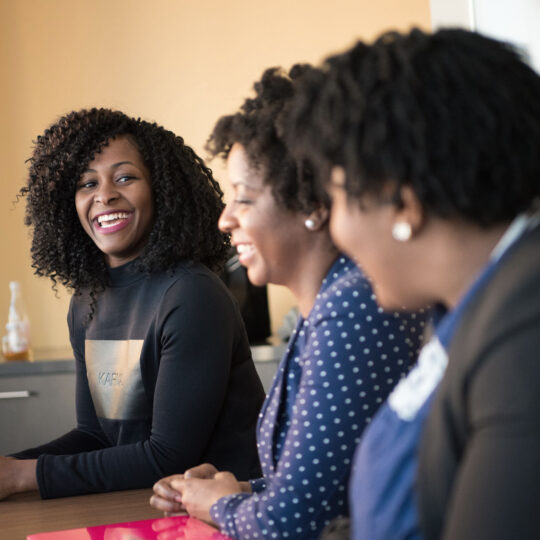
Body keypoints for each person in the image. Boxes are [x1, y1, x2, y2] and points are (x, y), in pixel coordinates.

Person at [150, 66, 427, 539]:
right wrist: (239, 488)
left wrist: (224, 504)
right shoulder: (329, 303)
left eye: (243, 198)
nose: (225, 219)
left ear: (313, 204)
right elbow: (330, 483)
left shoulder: (352, 307)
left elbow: (294, 523)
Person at [287, 28, 540, 539]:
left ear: (402, 202)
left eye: (335, 199)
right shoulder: (476, 306)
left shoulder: (524, 323)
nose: (336, 228)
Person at [0, 108, 265, 500]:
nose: (104, 195)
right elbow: (94, 435)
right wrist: (12, 467)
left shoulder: (191, 294)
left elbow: (168, 455)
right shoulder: (86, 301)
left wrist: (24, 475)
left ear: (161, 188)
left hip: (223, 515)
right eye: (86, 183)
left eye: (125, 177)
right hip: (139, 504)